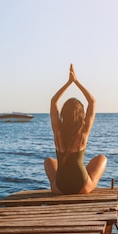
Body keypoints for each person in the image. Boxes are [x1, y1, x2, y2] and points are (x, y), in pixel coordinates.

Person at [44, 64, 107, 194]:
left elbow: (53, 101)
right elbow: (92, 102)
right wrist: (76, 81)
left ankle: (56, 185)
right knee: (102, 158)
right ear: (81, 114)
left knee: (49, 161)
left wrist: (68, 83)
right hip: (82, 188)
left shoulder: (57, 130)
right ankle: (87, 182)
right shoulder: (83, 132)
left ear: (63, 113)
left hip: (59, 188)